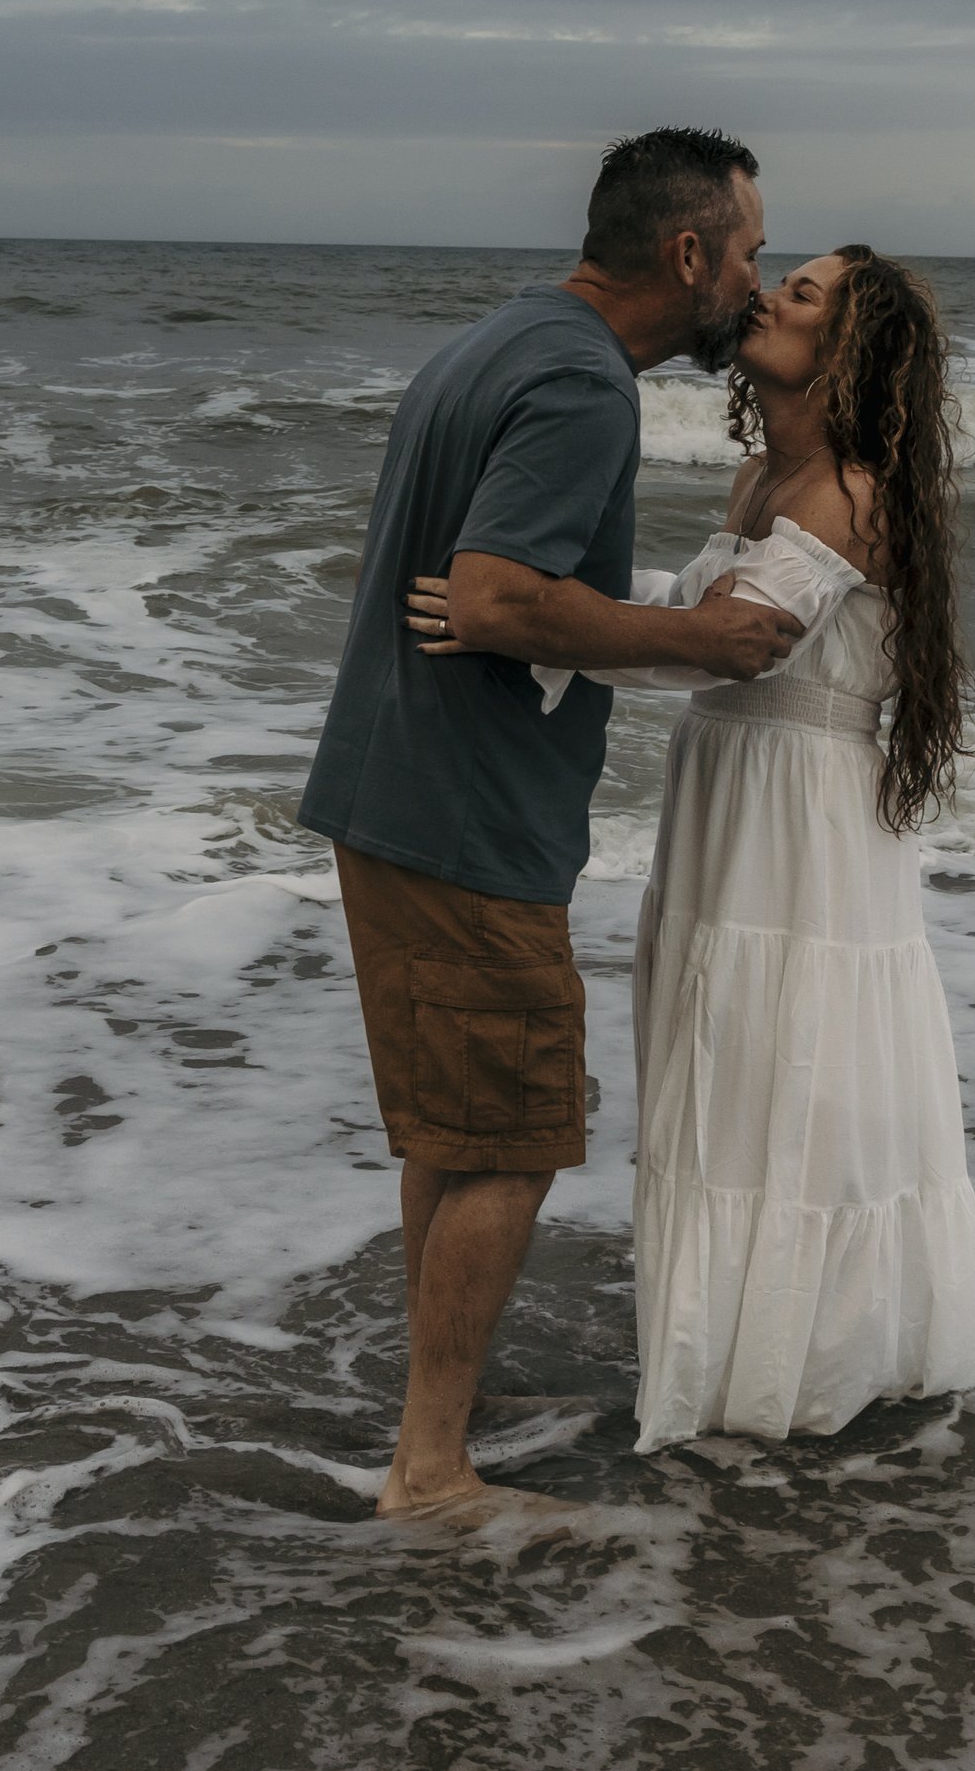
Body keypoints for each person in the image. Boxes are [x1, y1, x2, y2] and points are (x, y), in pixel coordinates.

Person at [300, 128, 806, 1523]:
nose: (758, 279)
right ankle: (432, 1468)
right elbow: (494, 597)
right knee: (514, 1137)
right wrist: (697, 636)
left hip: (391, 784)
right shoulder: (584, 383)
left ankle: (442, 1396)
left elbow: (477, 588)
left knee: (454, 1130)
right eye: (752, 250)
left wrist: (514, 601)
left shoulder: (501, 340)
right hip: (462, 809)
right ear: (687, 253)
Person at [412, 243, 975, 1452]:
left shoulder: (846, 490)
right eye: (779, 276)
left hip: (801, 814)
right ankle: (734, 1348)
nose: (770, 293)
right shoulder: (757, 478)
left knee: (785, 1057)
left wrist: (510, 626)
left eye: (806, 293)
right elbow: (683, 617)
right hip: (732, 784)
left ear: (850, 348)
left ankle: (788, 1362)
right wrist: (525, 613)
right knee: (728, 1052)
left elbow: (728, 645)